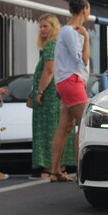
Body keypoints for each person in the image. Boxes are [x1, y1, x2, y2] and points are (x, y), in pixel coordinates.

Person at [50, 0, 90, 182]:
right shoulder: (70, 32)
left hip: (68, 81)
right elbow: (82, 60)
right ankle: (80, 171)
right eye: (89, 10)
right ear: (84, 10)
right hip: (71, 81)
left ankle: (55, 171)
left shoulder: (70, 31)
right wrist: (87, 38)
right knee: (84, 126)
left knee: (65, 127)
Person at [31, 14, 75, 180]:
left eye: (45, 26)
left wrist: (40, 91)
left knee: (48, 130)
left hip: (49, 96)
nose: (42, 30)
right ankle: (60, 167)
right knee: (59, 128)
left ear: (53, 27)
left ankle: (49, 167)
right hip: (58, 93)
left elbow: (49, 70)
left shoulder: (51, 45)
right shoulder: (58, 44)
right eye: (40, 27)